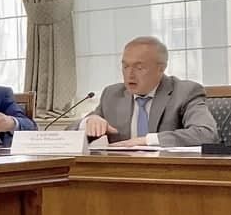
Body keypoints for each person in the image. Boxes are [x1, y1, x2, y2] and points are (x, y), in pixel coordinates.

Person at [79, 36, 217, 147]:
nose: (130, 74)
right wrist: (89, 122)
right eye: (125, 67)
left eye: (139, 68)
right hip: (120, 169)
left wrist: (147, 140)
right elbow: (70, 134)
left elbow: (207, 134)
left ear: (161, 68)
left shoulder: (184, 92)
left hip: (166, 169)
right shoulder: (112, 94)